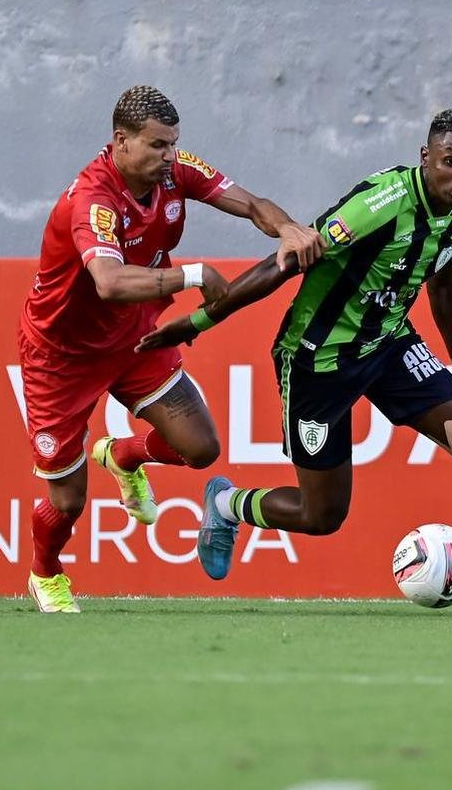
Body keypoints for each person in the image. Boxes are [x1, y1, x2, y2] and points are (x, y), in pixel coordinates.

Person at [137, 107, 452, 617]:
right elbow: (285, 261)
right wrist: (197, 324)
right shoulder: (380, 205)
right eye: (451, 161)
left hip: (390, 346)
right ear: (426, 157)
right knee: (322, 515)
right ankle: (225, 504)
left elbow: (443, 282)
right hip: (318, 361)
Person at [19, 85, 324, 613]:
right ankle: (46, 572)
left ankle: (123, 455)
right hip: (62, 356)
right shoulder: (92, 201)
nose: (170, 156)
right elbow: (109, 282)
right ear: (122, 142)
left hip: (134, 338)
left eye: (174, 143)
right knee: (67, 503)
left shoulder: (173, 170)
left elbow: (250, 203)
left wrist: (290, 229)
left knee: (201, 449)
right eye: (159, 145)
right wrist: (191, 275)